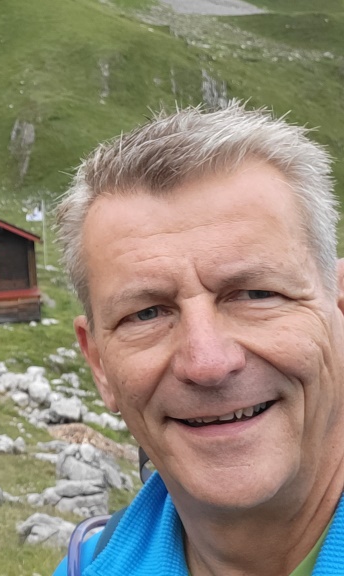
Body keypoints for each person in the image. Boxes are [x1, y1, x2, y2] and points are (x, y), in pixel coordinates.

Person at [52, 102, 344, 575]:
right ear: (99, 364)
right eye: (146, 314)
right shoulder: (85, 566)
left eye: (255, 294)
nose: (207, 363)